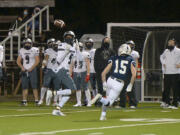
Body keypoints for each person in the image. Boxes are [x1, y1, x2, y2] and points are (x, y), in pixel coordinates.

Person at [91, 44, 136, 120]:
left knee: (107, 99)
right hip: (118, 83)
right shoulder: (130, 59)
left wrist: (104, 83)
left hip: (110, 80)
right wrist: (130, 85)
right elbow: (134, 74)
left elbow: (103, 73)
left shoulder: (114, 58)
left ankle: (103, 116)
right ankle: (100, 98)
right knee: (109, 103)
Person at [52, 31, 77, 116]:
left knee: (68, 93)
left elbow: (72, 61)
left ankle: (57, 109)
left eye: (70, 36)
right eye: (67, 36)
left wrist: (70, 71)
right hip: (62, 69)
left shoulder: (72, 47)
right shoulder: (63, 45)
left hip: (65, 70)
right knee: (73, 89)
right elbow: (59, 59)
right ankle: (55, 93)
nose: (69, 38)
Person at [16, 38, 40, 106]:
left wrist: (31, 68)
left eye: (29, 43)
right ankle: (24, 101)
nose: (27, 44)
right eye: (26, 43)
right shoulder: (21, 50)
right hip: (24, 69)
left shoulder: (35, 49)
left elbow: (37, 61)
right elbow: (18, 61)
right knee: (24, 86)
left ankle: (36, 101)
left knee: (34, 86)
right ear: (24, 44)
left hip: (32, 70)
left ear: (31, 44)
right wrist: (22, 67)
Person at [118, 40, 140, 109]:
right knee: (122, 88)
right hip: (123, 72)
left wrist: (135, 72)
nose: (130, 46)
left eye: (131, 45)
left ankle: (133, 103)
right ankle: (122, 104)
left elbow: (136, 63)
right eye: (129, 44)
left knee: (131, 88)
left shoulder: (134, 53)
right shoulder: (122, 51)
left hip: (131, 72)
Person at [38, 38, 59, 106]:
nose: (56, 46)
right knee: (45, 84)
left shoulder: (61, 51)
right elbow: (45, 59)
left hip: (58, 70)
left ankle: (55, 101)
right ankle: (41, 100)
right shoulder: (48, 50)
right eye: (54, 45)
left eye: (57, 45)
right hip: (50, 69)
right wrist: (43, 67)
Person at [160, 38, 180, 109]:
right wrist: (163, 63)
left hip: (175, 73)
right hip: (167, 72)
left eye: (171, 43)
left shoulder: (178, 51)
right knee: (166, 89)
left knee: (175, 89)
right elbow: (161, 57)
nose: (170, 44)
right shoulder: (166, 51)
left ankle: (175, 104)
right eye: (169, 43)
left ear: (174, 44)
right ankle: (167, 103)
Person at [70, 42, 91, 107]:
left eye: (79, 47)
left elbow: (88, 65)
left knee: (85, 87)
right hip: (75, 72)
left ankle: (89, 102)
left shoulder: (85, 54)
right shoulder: (73, 54)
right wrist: (70, 73)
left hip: (83, 72)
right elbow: (72, 65)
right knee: (77, 88)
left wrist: (88, 74)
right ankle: (78, 102)